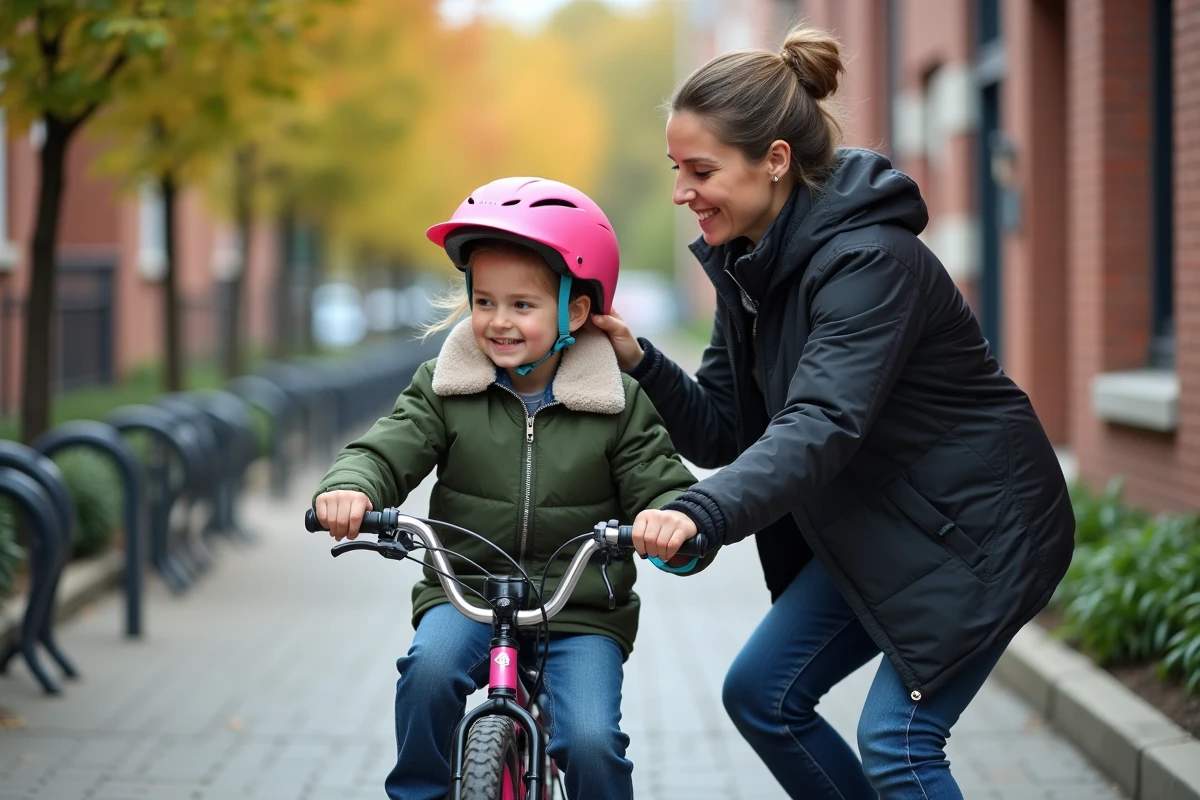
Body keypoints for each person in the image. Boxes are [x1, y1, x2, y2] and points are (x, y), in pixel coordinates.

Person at [591, 25, 1076, 800]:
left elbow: (820, 425)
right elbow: (724, 427)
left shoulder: (869, 263)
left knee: (898, 742)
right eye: (676, 169)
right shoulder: (750, 266)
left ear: (775, 161)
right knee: (762, 696)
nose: (682, 191)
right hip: (882, 526)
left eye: (701, 170)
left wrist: (700, 513)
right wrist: (639, 361)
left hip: (977, 530)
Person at [311, 177, 702, 800]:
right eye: (485, 301)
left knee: (593, 740)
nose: (499, 321)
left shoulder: (618, 402)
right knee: (428, 674)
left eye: (522, 305)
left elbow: (660, 483)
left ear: (575, 310)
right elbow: (386, 448)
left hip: (578, 612)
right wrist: (351, 487)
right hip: (465, 591)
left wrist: (672, 522)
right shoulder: (445, 388)